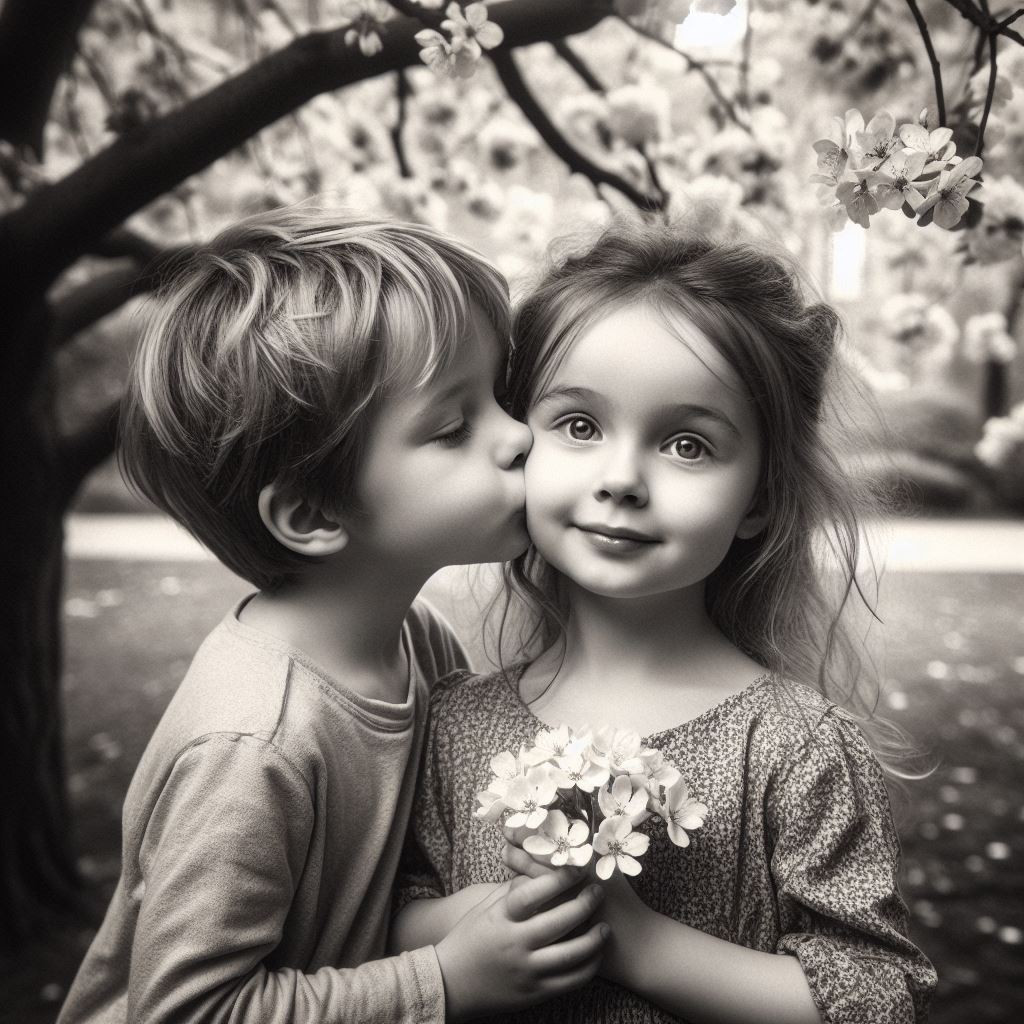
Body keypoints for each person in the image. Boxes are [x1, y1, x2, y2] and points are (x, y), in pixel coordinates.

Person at [58, 209, 608, 1024]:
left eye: (501, 395)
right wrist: (446, 982)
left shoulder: (416, 640)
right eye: (455, 426)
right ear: (314, 514)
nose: (520, 435)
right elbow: (188, 1010)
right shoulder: (253, 745)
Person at [392, 220, 938, 1022]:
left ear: (758, 499)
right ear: (516, 444)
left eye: (687, 444)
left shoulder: (794, 745)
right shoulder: (454, 722)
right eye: (579, 425)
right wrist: (471, 930)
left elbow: (876, 997)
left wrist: (636, 944)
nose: (621, 478)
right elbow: (383, 915)